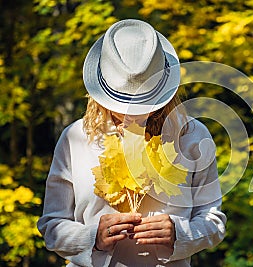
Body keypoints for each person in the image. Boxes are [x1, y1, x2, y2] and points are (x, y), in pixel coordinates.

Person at [37, 19, 226, 267]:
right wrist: (91, 238)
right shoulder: (76, 138)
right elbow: (52, 226)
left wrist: (179, 234)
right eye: (120, 105)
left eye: (144, 105)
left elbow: (213, 221)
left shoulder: (192, 136)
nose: (131, 115)